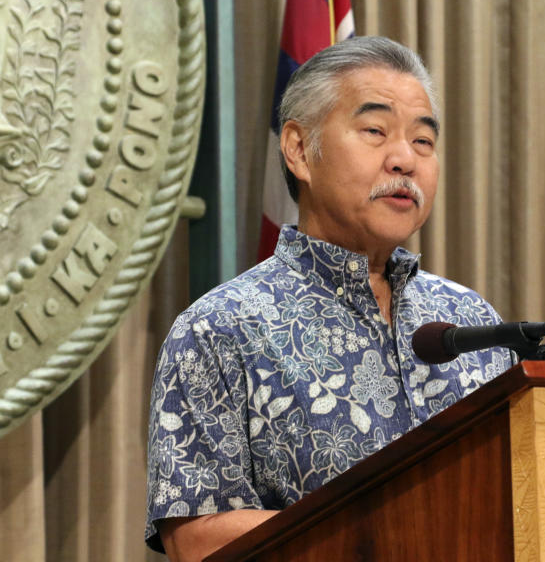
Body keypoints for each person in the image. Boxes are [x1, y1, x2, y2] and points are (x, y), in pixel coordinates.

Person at [145, 36, 514, 560]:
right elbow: (197, 540)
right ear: (299, 150)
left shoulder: (471, 320)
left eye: (423, 142)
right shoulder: (219, 328)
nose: (404, 159)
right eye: (374, 131)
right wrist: (395, 523)